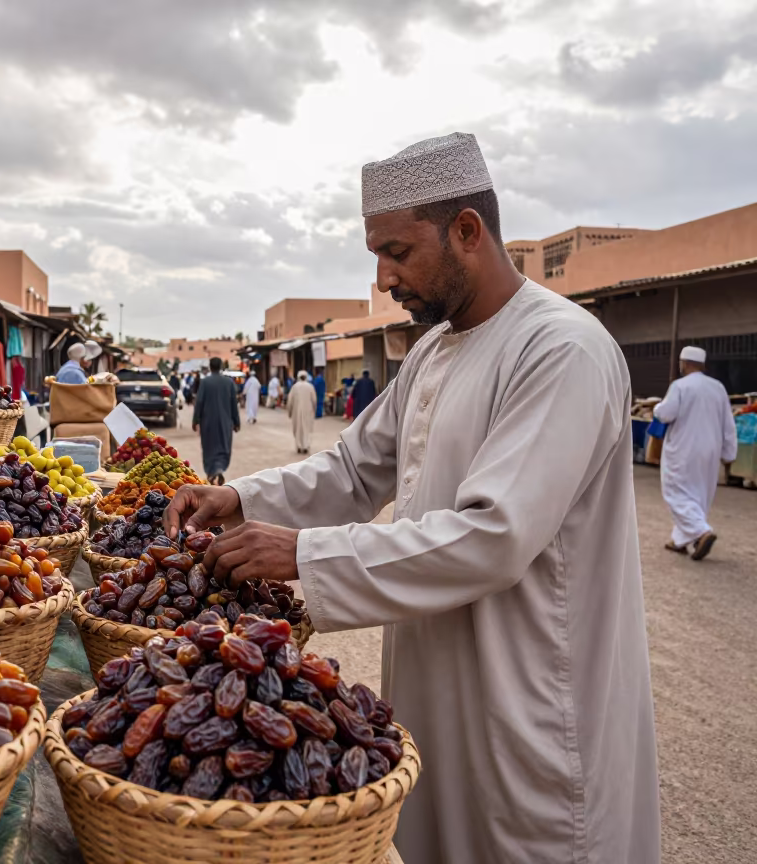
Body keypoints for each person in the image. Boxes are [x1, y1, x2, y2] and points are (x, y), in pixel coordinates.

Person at [163, 132, 659, 864]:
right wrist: (238, 498)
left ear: (467, 231)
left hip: (531, 699)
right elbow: (353, 472)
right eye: (375, 257)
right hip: (435, 685)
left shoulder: (560, 349)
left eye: (397, 252)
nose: (384, 279)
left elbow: (494, 535)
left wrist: (302, 553)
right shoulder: (430, 352)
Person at [653, 346, 738, 560]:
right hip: (710, 450)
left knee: (676, 491)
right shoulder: (718, 387)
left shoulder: (680, 386)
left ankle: (702, 532)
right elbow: (728, 423)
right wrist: (729, 453)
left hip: (684, 448)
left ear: (684, 363)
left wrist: (656, 408)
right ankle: (680, 540)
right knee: (698, 494)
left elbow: (665, 413)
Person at [192, 357, 239, 486]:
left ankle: (212, 472)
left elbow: (199, 403)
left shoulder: (205, 382)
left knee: (209, 447)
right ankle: (219, 469)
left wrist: (195, 420)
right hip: (225, 422)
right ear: (221, 367)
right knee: (223, 446)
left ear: (211, 367)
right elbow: (233, 404)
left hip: (208, 422)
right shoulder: (228, 383)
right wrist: (236, 422)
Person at [286, 370, 316, 454]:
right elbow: (314, 400)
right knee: (306, 428)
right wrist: (314, 410)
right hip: (308, 412)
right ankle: (306, 446)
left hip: (297, 412)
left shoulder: (294, 387)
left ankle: (299, 446)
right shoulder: (310, 387)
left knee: (298, 429)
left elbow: (290, 401)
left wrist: (289, 412)